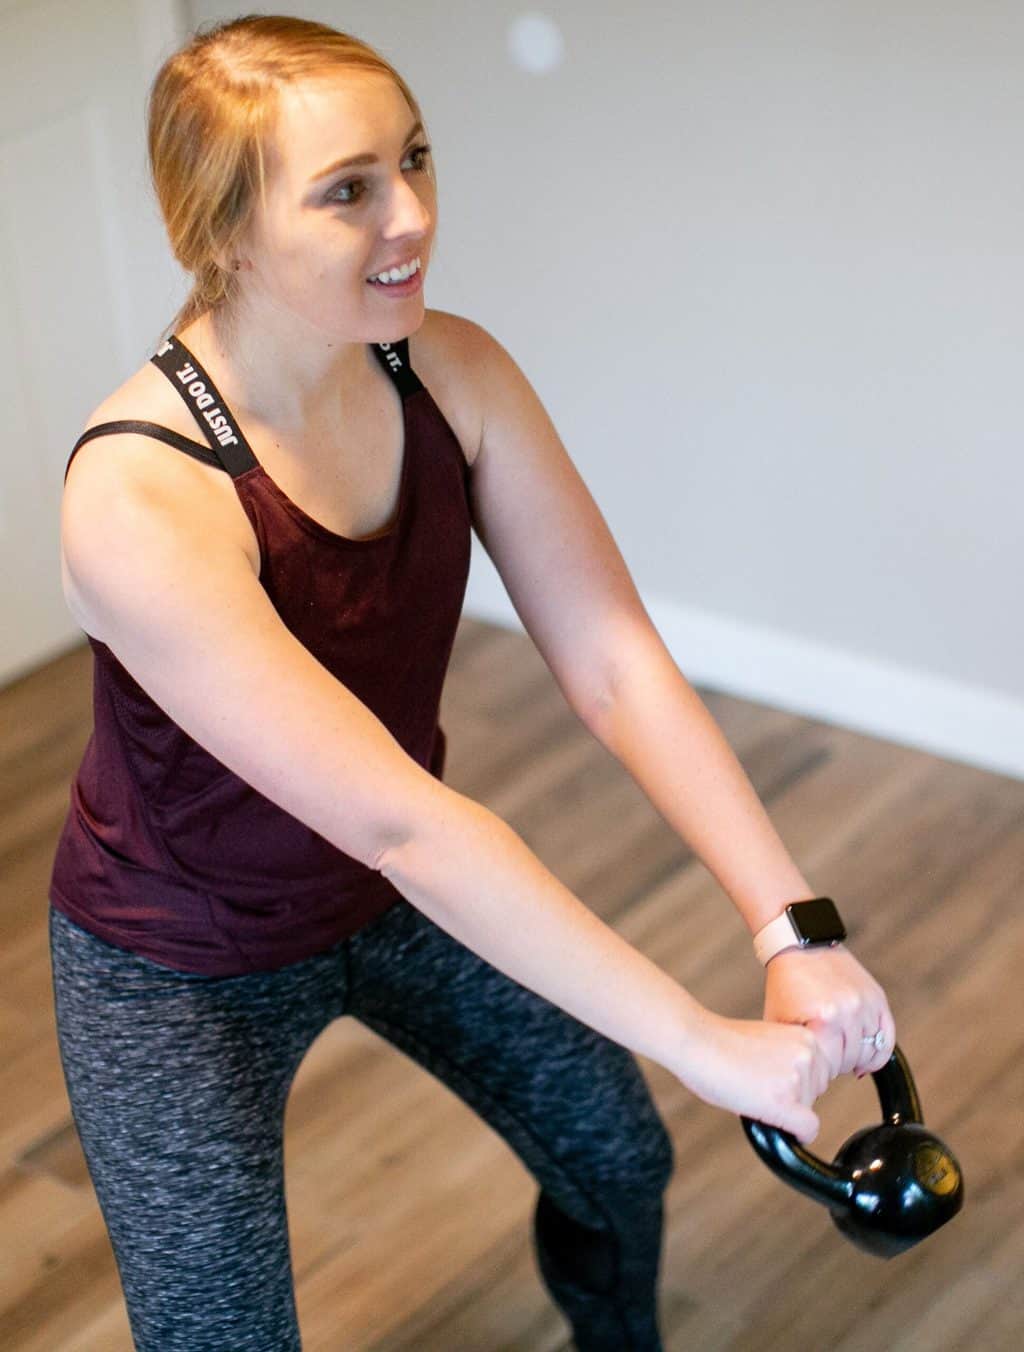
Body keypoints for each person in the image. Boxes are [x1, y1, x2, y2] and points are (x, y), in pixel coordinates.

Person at [49, 14, 896, 1352]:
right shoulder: (140, 493)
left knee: (615, 1159)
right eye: (348, 191)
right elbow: (404, 817)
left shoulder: (454, 372)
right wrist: (699, 1037)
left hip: (381, 900)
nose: (413, 217)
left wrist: (792, 927)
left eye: (416, 160)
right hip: (178, 961)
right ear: (223, 232)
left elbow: (611, 659)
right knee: (220, 1333)